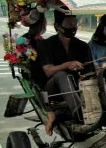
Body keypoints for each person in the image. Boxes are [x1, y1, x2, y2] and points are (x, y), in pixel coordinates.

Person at [38, 8, 94, 136]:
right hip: (53, 89)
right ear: (58, 26)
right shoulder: (46, 45)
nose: (73, 27)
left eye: (75, 24)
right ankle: (79, 114)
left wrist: (84, 76)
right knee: (63, 75)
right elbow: (48, 71)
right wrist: (66, 65)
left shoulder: (83, 46)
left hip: (76, 87)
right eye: (69, 24)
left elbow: (89, 71)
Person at [20, 8, 49, 88]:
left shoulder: (23, 38)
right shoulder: (34, 41)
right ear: (41, 23)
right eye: (44, 21)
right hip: (39, 77)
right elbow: (34, 59)